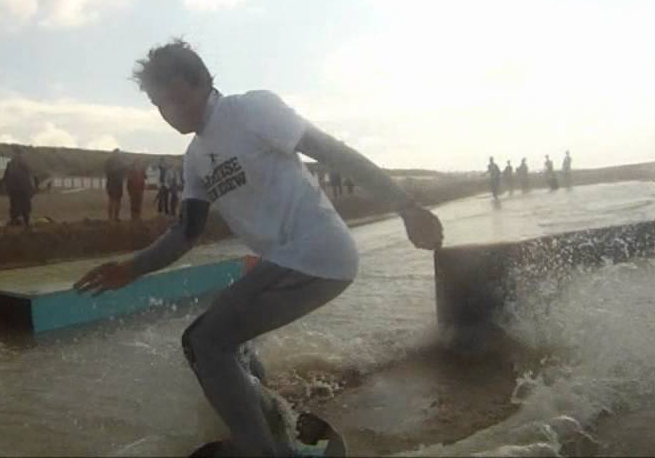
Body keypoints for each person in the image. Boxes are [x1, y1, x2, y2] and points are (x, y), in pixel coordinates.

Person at [74, 39, 443, 457]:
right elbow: (186, 232)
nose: (171, 113)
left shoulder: (251, 110)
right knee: (236, 347)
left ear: (201, 83)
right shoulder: (195, 158)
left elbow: (332, 152)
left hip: (320, 252)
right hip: (289, 262)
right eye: (161, 105)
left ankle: (260, 450)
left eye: (176, 98)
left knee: (203, 341)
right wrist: (133, 268)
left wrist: (406, 206)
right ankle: (274, 423)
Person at [3, 147, 36, 228]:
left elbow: (31, 175)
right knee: (16, 207)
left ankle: (25, 223)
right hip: (15, 189)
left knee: (24, 207)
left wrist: (32, 187)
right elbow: (6, 176)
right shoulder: (10, 164)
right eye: (16, 154)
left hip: (23, 189)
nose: (18, 156)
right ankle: (16, 222)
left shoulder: (24, 164)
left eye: (19, 154)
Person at [104, 148, 127, 221]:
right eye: (118, 154)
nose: (118, 156)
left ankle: (115, 216)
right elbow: (109, 172)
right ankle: (111, 217)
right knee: (112, 200)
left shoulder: (119, 162)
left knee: (117, 200)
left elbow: (123, 172)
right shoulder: (110, 162)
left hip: (117, 183)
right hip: (112, 183)